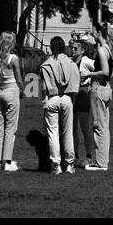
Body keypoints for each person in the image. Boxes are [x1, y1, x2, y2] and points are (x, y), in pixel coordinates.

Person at [40, 36, 75, 175]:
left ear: (50, 47)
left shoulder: (46, 64)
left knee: (53, 133)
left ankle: (56, 165)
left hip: (52, 98)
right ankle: (70, 164)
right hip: (67, 97)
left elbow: (43, 88)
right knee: (68, 132)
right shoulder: (70, 62)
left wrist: (44, 100)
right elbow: (74, 83)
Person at [0, 31, 23, 172]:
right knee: (10, 129)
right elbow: (19, 78)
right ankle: (8, 162)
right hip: (11, 91)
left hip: (0, 92)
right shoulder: (13, 58)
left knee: (0, 129)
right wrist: (23, 90)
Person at [87, 30, 112, 172]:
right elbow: (111, 73)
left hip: (98, 87)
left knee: (98, 126)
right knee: (104, 127)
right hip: (106, 88)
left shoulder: (102, 50)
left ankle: (101, 163)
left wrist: (89, 73)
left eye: (94, 31)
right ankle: (104, 158)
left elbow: (106, 71)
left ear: (100, 33)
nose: (92, 32)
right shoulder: (109, 48)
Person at [73, 37, 95, 164]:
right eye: (72, 48)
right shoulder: (70, 62)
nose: (73, 50)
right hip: (72, 95)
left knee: (85, 127)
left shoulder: (86, 62)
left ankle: (89, 156)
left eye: (76, 48)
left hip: (83, 94)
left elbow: (104, 71)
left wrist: (89, 76)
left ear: (82, 50)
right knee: (72, 127)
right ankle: (75, 155)